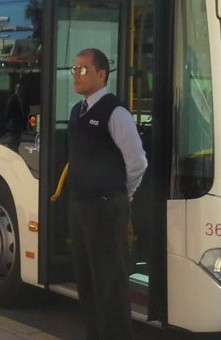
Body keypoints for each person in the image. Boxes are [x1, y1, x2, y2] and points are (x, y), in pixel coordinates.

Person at [66, 48, 147, 340]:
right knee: (86, 281)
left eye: (83, 69)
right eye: (74, 69)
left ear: (101, 74)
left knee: (109, 284)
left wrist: (122, 193)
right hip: (80, 206)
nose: (76, 74)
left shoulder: (116, 112)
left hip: (104, 207)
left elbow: (137, 161)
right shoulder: (78, 110)